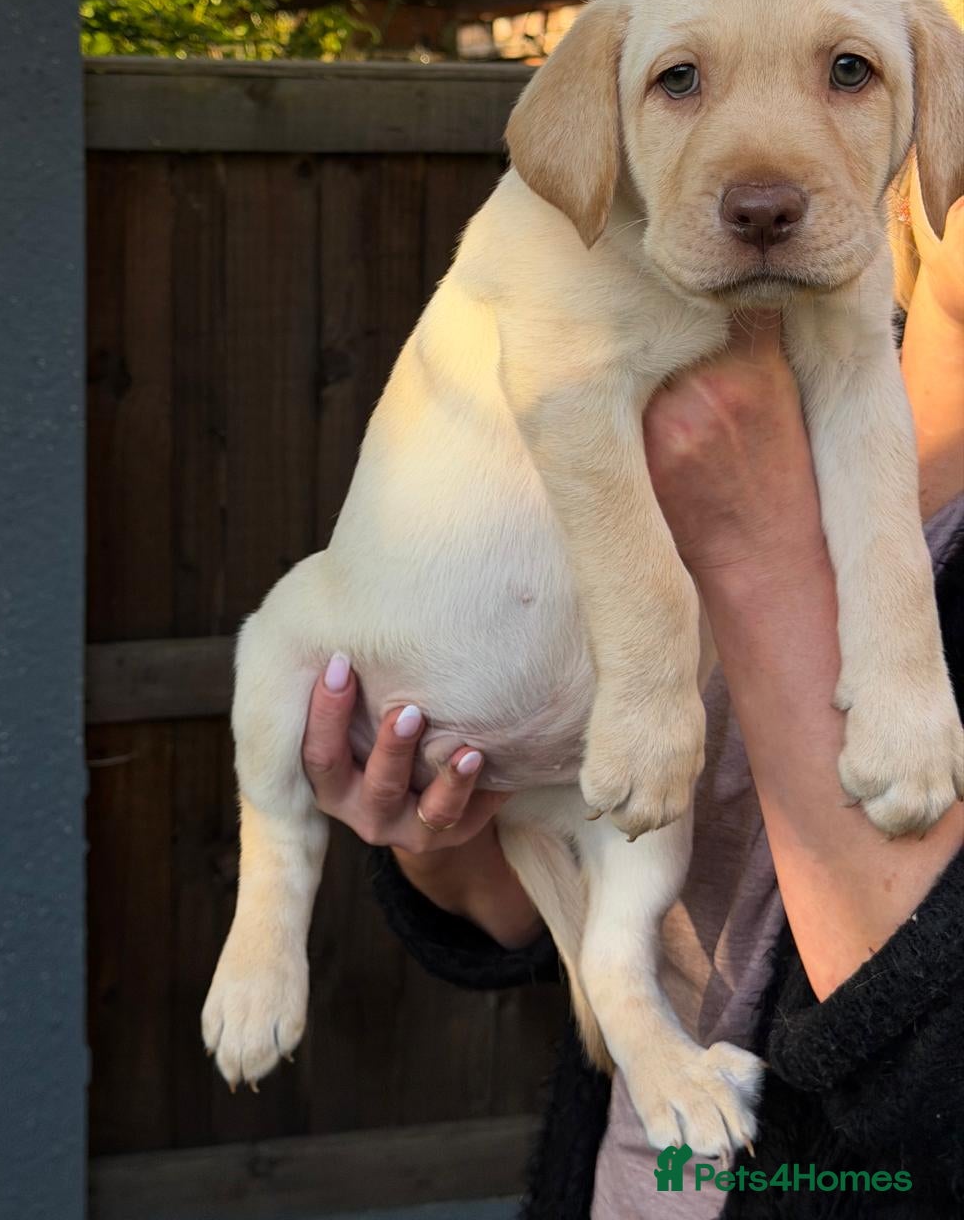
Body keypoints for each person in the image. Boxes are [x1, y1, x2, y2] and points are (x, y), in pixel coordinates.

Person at [298, 171, 964, 1217]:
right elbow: (516, 906)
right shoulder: (703, 376)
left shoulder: (728, 446)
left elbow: (937, 1102)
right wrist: (445, 813)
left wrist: (755, 556)